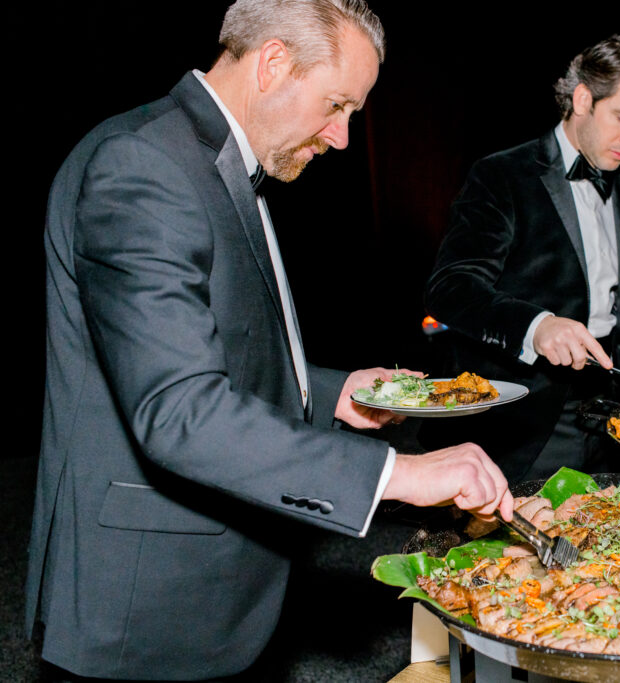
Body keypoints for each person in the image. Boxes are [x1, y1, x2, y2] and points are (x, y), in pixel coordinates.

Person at [27, 1, 512, 680]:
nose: (343, 136)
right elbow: (180, 410)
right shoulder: (143, 165)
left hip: (217, 593)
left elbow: (211, 353)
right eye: (337, 104)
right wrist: (397, 472)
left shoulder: (207, 157)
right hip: (145, 607)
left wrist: (331, 390)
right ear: (275, 62)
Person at [423, 35, 620, 483]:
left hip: (612, 411)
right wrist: (537, 327)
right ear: (582, 99)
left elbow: (613, 294)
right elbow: (451, 288)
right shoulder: (501, 175)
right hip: (526, 416)